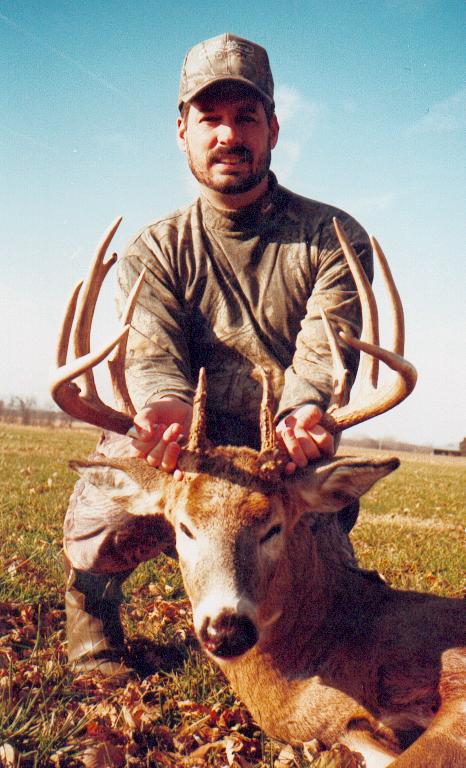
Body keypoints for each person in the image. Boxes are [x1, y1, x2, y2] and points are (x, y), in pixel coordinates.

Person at [63, 33, 373, 681]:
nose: (229, 134)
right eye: (211, 119)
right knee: (115, 474)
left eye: (246, 117)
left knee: (331, 587)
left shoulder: (332, 239)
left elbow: (325, 344)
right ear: (182, 131)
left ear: (274, 130)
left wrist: (306, 410)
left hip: (278, 458)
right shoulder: (156, 249)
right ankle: (92, 625)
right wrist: (161, 407)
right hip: (189, 456)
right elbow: (148, 348)